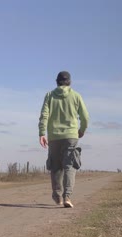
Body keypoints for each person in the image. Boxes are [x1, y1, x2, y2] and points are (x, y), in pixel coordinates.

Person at [38, 71, 89, 208]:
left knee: (56, 167)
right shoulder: (76, 96)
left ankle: (57, 196)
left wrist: (42, 132)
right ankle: (67, 196)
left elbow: (44, 115)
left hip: (54, 136)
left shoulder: (49, 96)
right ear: (69, 82)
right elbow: (85, 117)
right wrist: (81, 130)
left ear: (57, 81)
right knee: (69, 166)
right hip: (72, 135)